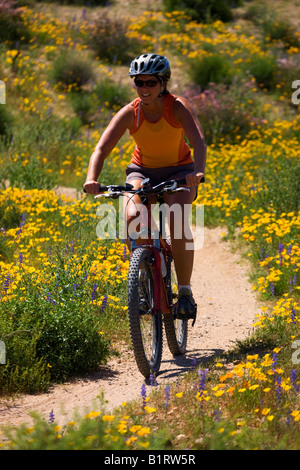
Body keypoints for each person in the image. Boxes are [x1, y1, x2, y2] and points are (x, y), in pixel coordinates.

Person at [84, 53, 206, 320]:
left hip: (180, 171)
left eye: (151, 83)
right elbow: (101, 148)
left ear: (163, 83)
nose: (145, 88)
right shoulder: (131, 112)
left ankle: (184, 292)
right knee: (131, 217)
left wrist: (197, 172)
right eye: (139, 82)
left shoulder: (177, 107)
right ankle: (142, 281)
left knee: (177, 220)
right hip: (142, 171)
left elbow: (198, 141)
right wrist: (91, 178)